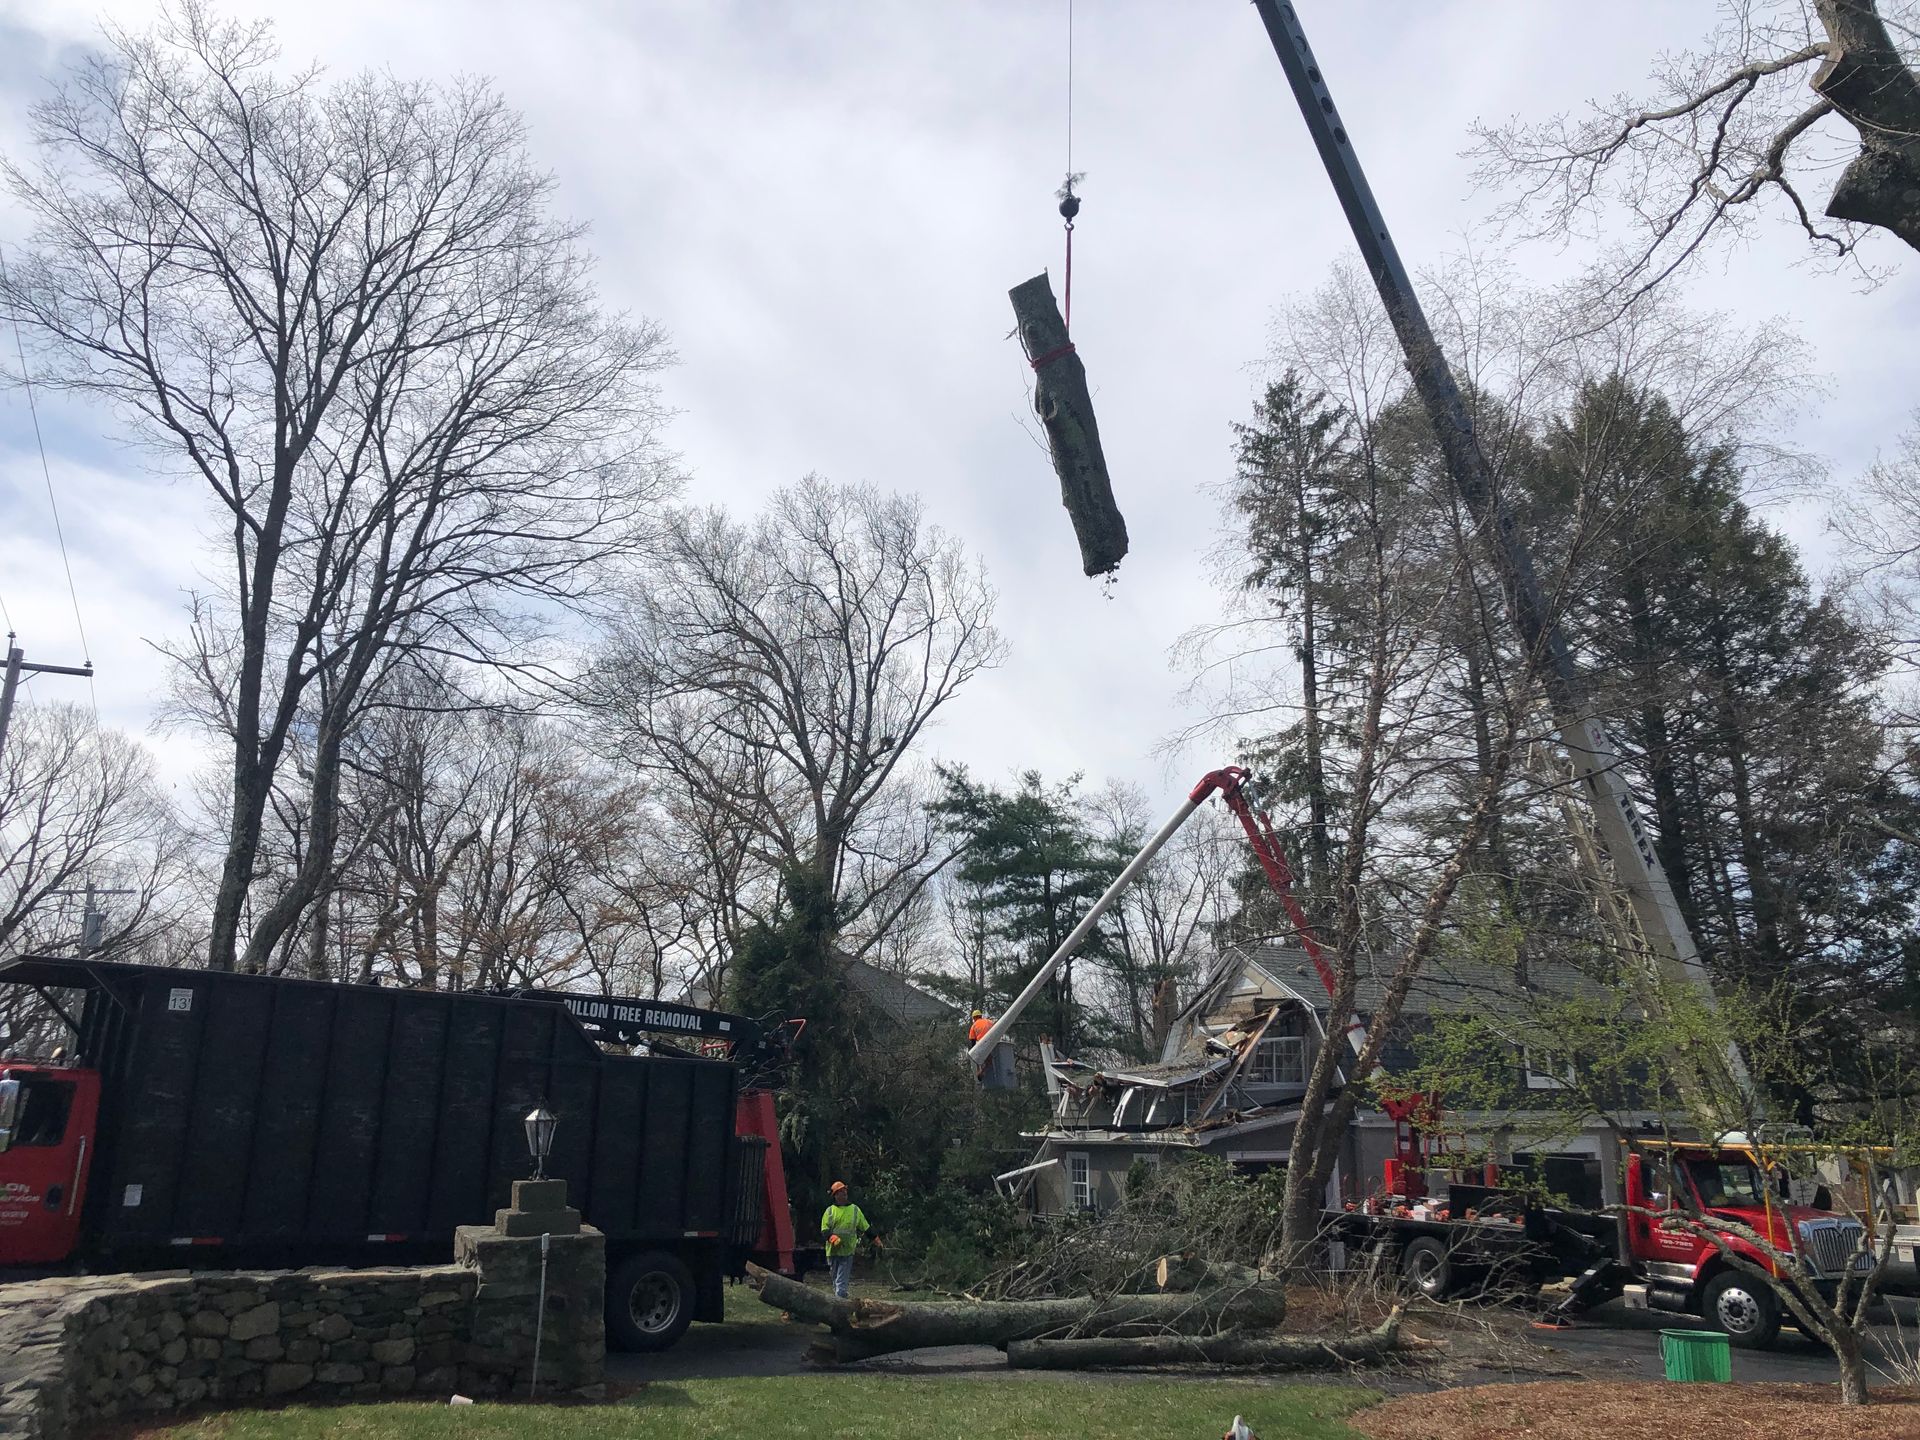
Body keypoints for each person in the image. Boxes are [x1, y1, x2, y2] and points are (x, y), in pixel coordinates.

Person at [820, 1180, 870, 1299]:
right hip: (832, 1252)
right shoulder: (830, 1211)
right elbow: (824, 1230)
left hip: (847, 1252)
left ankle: (840, 1304)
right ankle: (842, 1301)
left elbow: (865, 1227)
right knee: (836, 1281)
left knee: (840, 1284)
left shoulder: (855, 1210)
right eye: (841, 1192)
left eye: (845, 1191)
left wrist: (875, 1239)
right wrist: (833, 1238)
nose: (844, 1194)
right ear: (835, 1195)